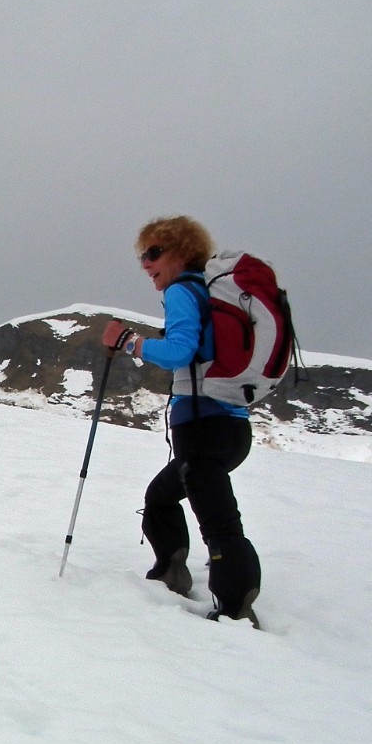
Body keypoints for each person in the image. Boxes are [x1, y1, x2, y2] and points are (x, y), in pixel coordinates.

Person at [100, 215, 262, 625]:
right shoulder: (209, 293)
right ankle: (171, 572)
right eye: (142, 255)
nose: (145, 263)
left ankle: (235, 608)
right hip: (230, 429)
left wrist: (128, 342)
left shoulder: (182, 291)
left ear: (181, 253)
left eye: (154, 253)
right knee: (161, 496)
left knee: (219, 522)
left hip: (205, 426)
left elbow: (178, 352)